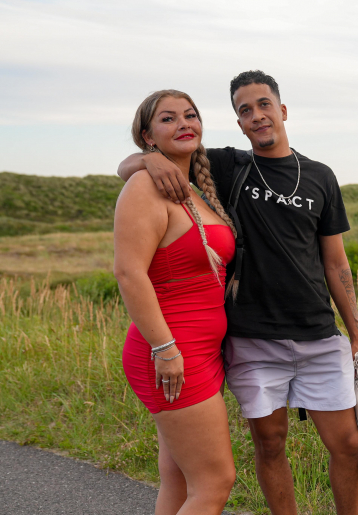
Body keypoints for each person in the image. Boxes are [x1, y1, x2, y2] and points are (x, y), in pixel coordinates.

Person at [118, 71, 358, 515]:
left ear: (282, 109)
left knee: (348, 443)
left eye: (263, 105)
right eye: (244, 110)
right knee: (266, 445)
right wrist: (147, 160)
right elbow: (137, 166)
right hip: (250, 337)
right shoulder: (229, 166)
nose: (257, 116)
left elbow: (336, 263)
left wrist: (357, 334)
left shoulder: (319, 177)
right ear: (237, 122)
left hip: (315, 332)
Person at [114, 90, 238, 515]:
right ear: (148, 135)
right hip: (170, 351)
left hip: (201, 350)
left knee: (181, 479)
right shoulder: (146, 186)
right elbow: (129, 273)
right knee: (215, 483)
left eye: (190, 115)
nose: (184, 123)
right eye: (168, 119)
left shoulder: (195, 187)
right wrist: (165, 350)